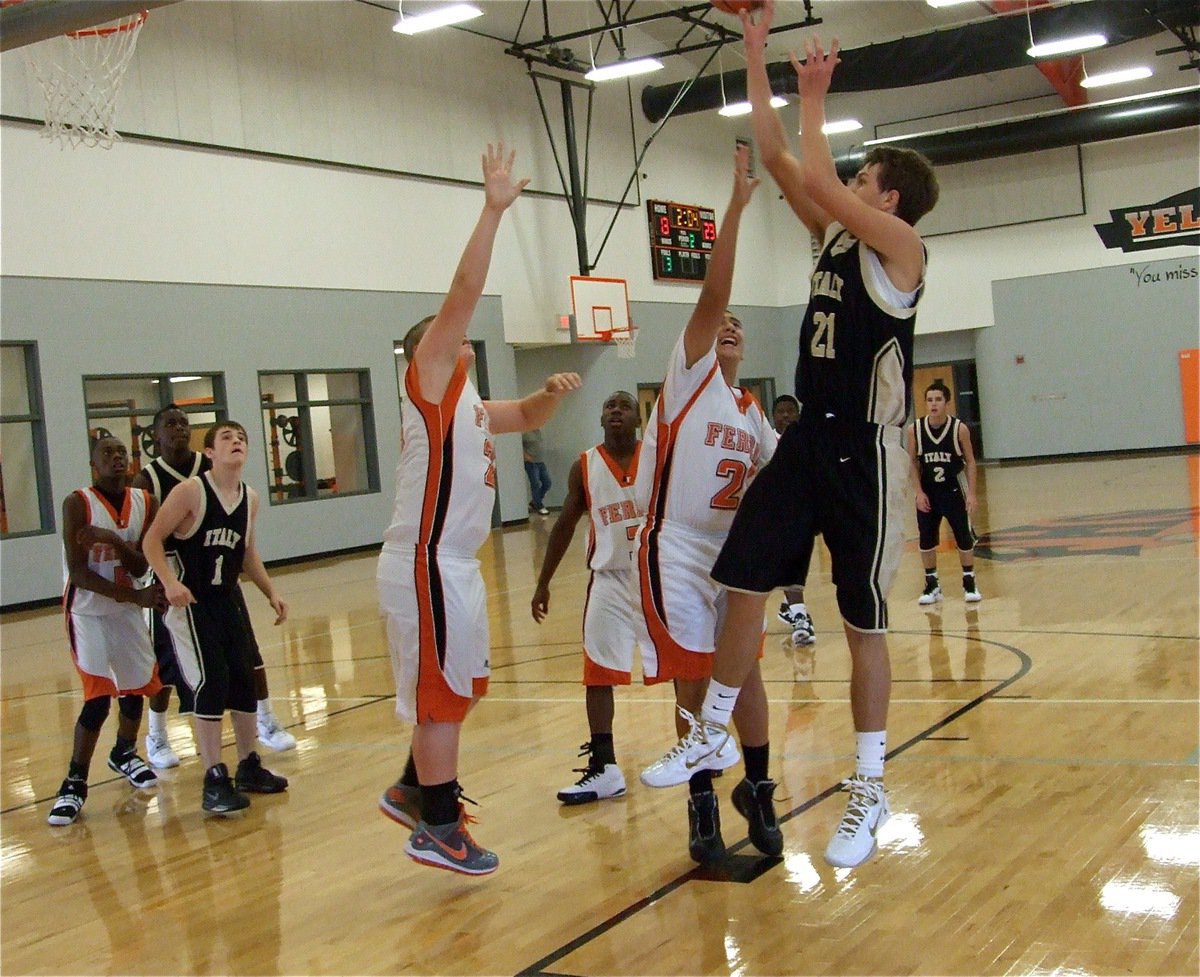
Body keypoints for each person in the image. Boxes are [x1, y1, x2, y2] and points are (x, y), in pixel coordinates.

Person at [650, 0, 940, 870]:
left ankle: (868, 785)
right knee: (742, 580)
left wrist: (815, 95)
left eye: (863, 177)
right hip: (806, 438)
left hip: (867, 452)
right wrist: (752, 50)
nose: (848, 183)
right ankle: (709, 735)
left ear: (888, 198)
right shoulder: (829, 243)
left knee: (862, 624)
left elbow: (813, 175)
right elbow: (781, 158)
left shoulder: (902, 252)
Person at [374, 142, 582, 876]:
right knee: (440, 693)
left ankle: (411, 785)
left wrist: (551, 396)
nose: (457, 332)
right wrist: (493, 209)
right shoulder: (429, 379)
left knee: (455, 687)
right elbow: (463, 289)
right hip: (425, 561)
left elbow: (522, 415)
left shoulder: (464, 401)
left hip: (452, 565)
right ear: (427, 351)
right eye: (445, 332)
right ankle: (435, 823)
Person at [634, 144, 783, 866]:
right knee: (694, 676)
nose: (729, 328)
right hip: (677, 547)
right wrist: (736, 206)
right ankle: (700, 799)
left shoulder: (755, 416)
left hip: (734, 560)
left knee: (744, 673)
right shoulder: (689, 379)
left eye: (739, 330)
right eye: (722, 325)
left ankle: (758, 785)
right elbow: (711, 298)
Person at [132, 405, 296, 770]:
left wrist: (271, 591)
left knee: (244, 669)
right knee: (192, 676)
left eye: (242, 438)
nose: (236, 441)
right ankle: (187, 755)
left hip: (224, 590)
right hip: (181, 592)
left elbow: (247, 552)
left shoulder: (248, 497)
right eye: (227, 437)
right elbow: (150, 540)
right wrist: (167, 582)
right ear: (209, 451)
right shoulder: (174, 485)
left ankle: (250, 760)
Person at [531, 390, 642, 805]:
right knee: (598, 673)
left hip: (655, 575)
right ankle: (605, 766)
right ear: (601, 419)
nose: (615, 411)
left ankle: (701, 746)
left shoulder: (657, 457)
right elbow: (564, 525)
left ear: (637, 418)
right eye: (609, 406)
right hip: (610, 579)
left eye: (624, 406)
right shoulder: (586, 465)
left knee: (685, 664)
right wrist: (543, 582)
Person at [48, 436, 163, 826]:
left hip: (127, 609)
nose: (117, 458)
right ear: (94, 463)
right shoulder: (77, 503)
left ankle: (125, 753)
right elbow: (79, 573)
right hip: (88, 612)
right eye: (108, 453)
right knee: (98, 699)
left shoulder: (146, 501)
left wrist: (113, 539)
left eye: (122, 453)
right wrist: (135, 597)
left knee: (136, 689)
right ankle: (75, 782)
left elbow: (138, 568)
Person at [908, 380, 981, 603]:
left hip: (953, 489)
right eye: (929, 400)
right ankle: (932, 584)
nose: (933, 404)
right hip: (929, 491)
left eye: (938, 399)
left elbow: (970, 461)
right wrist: (918, 492)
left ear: (947, 402)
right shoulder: (915, 430)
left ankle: (969, 582)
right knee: (926, 539)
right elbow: (912, 462)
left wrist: (971, 494)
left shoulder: (959, 429)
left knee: (963, 537)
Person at [770, 393, 816, 646]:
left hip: (798, 512)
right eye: (781, 411)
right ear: (773, 416)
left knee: (791, 565)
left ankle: (797, 613)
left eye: (791, 411)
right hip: (768, 513)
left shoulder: (807, 441)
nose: (786, 415)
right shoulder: (766, 440)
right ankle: (795, 611)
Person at [523, 427, 552, 515]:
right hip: (531, 463)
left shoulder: (537, 431)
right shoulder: (524, 432)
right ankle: (539, 506)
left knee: (547, 483)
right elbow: (518, 445)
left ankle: (535, 502)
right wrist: (526, 456)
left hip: (540, 461)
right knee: (535, 484)